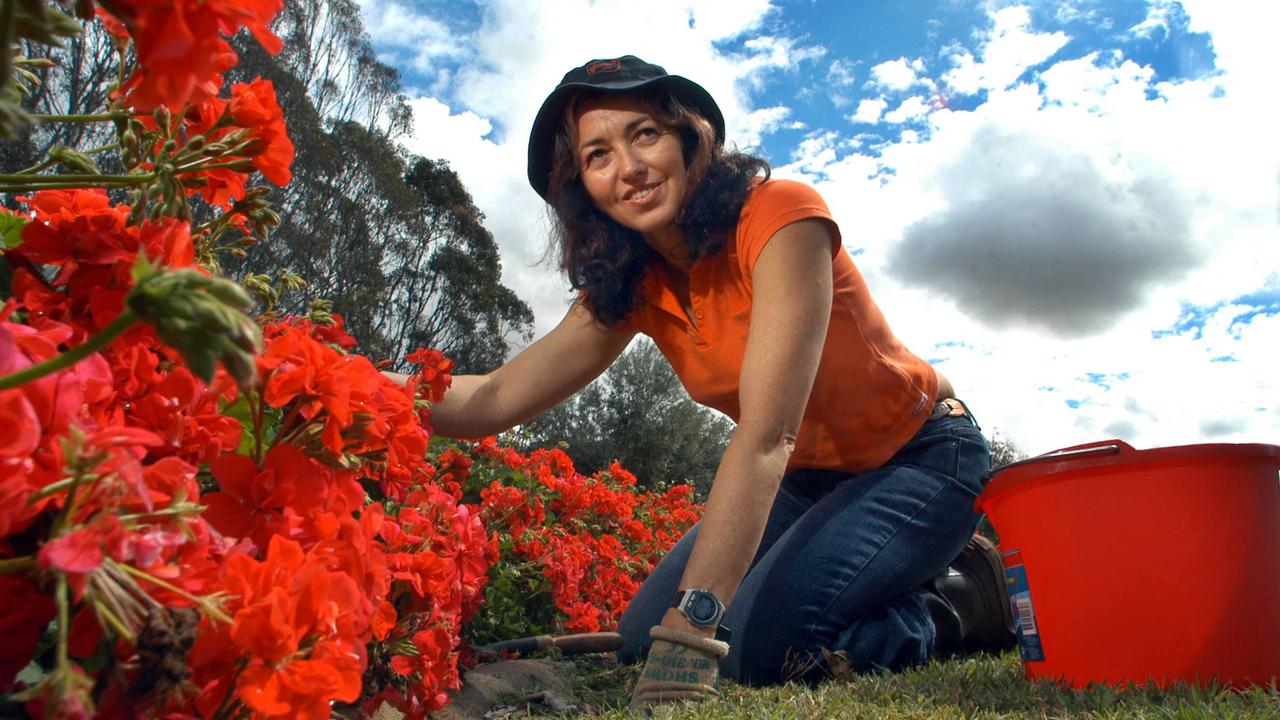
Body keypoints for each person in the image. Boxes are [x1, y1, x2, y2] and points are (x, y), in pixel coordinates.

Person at [420, 55, 1015, 706]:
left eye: (644, 134)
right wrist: (344, 379)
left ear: (689, 135)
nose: (629, 167)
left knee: (762, 647)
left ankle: (955, 601)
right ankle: (869, 579)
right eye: (597, 155)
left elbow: (768, 434)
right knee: (644, 635)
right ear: (582, 188)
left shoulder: (782, 216)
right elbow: (492, 398)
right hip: (811, 482)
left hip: (920, 458)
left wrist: (696, 624)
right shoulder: (633, 286)